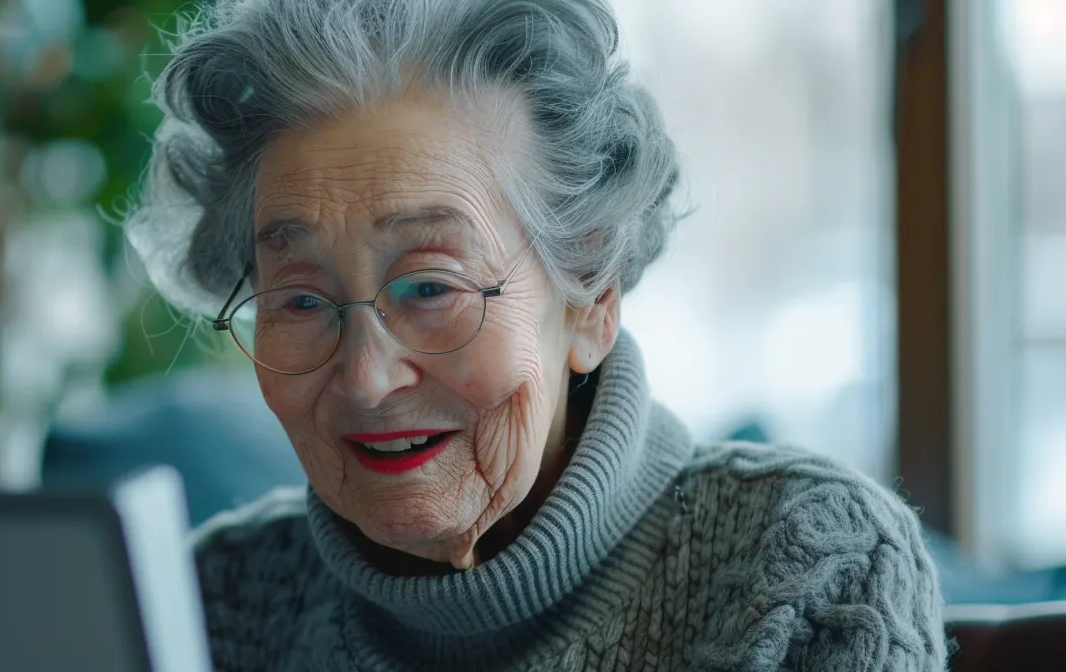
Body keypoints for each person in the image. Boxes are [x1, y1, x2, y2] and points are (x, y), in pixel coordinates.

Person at [122, 0, 949, 668]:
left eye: (431, 288)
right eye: (300, 302)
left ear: (590, 299)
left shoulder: (808, 570)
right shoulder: (207, 604)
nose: (367, 379)